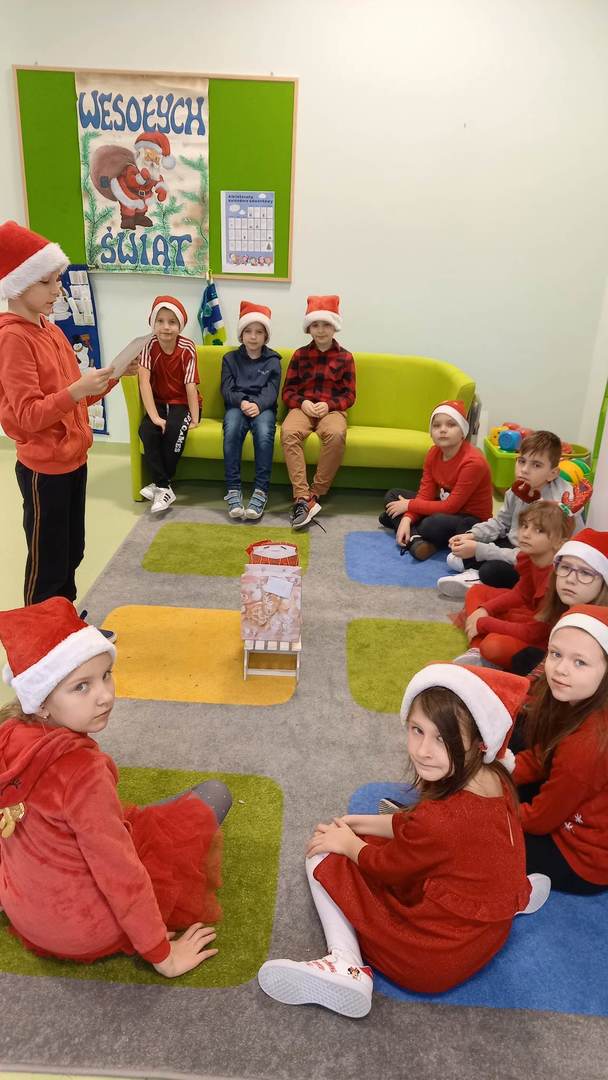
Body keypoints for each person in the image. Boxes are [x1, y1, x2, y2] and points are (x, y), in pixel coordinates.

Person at [257, 663, 548, 1017]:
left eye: (443, 738)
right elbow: (431, 828)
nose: (423, 750)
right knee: (375, 835)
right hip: (486, 937)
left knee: (321, 855)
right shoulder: (496, 777)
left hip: (430, 959)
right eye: (417, 730)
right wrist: (359, 823)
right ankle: (517, 894)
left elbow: (387, 867)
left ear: (477, 741)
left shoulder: (439, 819)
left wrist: (347, 844)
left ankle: (345, 963)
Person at [0, 597, 230, 975]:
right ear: (41, 703)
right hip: (85, 930)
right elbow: (119, 872)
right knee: (214, 795)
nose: (105, 695)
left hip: (25, 911)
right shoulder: (83, 772)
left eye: (106, 675)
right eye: (81, 686)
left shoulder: (8, 736)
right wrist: (163, 956)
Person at [0, 220, 134, 609]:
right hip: (45, 469)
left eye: (58, 280)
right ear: (17, 284)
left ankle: (66, 625)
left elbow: (74, 398)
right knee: (48, 564)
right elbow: (28, 416)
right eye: (46, 282)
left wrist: (112, 377)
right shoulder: (12, 338)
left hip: (75, 460)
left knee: (72, 551)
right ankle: (42, 634)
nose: (57, 290)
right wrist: (76, 390)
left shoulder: (51, 330)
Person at [511, 604, 608, 894]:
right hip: (572, 809)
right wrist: (506, 769)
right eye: (555, 654)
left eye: (580, 662)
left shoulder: (587, 746)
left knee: (483, 838)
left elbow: (541, 819)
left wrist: (496, 811)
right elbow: (544, 754)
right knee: (509, 756)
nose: (561, 669)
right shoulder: (576, 700)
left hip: (582, 857)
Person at [438, 430, 574, 597]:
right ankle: (473, 565)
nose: (524, 470)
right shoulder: (518, 489)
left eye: (536, 465)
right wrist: (472, 536)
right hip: (515, 544)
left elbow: (530, 556)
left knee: (492, 570)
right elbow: (501, 522)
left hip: (535, 560)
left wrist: (480, 550)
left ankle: (477, 576)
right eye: (521, 461)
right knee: (468, 526)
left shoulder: (555, 506)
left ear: (553, 473)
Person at [453, 501, 574, 669]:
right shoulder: (531, 557)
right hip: (530, 613)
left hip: (541, 637)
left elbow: (533, 634)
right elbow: (520, 593)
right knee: (476, 592)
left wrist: (485, 623)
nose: (526, 534)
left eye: (539, 530)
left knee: (493, 646)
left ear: (559, 542)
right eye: (524, 526)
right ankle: (476, 649)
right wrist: (485, 609)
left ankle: (480, 646)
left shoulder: (557, 579)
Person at [379, 400, 492, 561]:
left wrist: (409, 506)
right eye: (436, 425)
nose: (443, 430)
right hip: (443, 506)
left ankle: (411, 531)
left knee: (430, 524)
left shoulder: (473, 462)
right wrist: (407, 518)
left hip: (470, 519)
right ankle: (416, 539)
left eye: (451, 424)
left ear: (463, 432)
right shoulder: (433, 453)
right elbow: (425, 494)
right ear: (431, 433)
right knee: (393, 495)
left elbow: (451, 506)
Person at [280, 295, 356, 529]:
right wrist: (302, 403)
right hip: (302, 408)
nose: (321, 330)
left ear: (334, 327)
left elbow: (349, 396)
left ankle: (315, 493)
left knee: (336, 434)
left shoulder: (346, 357)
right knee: (288, 432)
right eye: (315, 325)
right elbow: (287, 391)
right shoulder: (299, 355)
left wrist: (330, 405)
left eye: (326, 325)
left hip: (331, 410)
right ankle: (301, 496)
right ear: (309, 328)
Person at [510, 528, 608, 677]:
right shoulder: (563, 608)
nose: (570, 579)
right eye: (565, 567)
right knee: (524, 657)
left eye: (585, 573)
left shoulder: (592, 631)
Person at [138, 295, 200, 514]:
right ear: (153, 323)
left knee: (173, 431)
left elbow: (190, 386)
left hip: (182, 404)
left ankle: (160, 485)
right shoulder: (148, 345)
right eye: (160, 321)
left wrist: (195, 418)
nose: (166, 327)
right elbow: (144, 382)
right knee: (147, 431)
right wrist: (154, 417)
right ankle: (164, 486)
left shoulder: (187, 347)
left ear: (180, 326)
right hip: (158, 403)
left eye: (172, 322)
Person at [220, 301, 282, 521]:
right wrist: (243, 402)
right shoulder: (229, 359)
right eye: (248, 331)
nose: (253, 337)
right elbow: (226, 389)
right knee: (231, 429)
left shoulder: (273, 360)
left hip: (263, 408)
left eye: (259, 332)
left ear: (266, 336)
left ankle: (260, 491)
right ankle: (233, 489)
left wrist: (257, 404)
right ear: (241, 334)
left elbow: (272, 390)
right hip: (237, 406)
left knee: (265, 433)